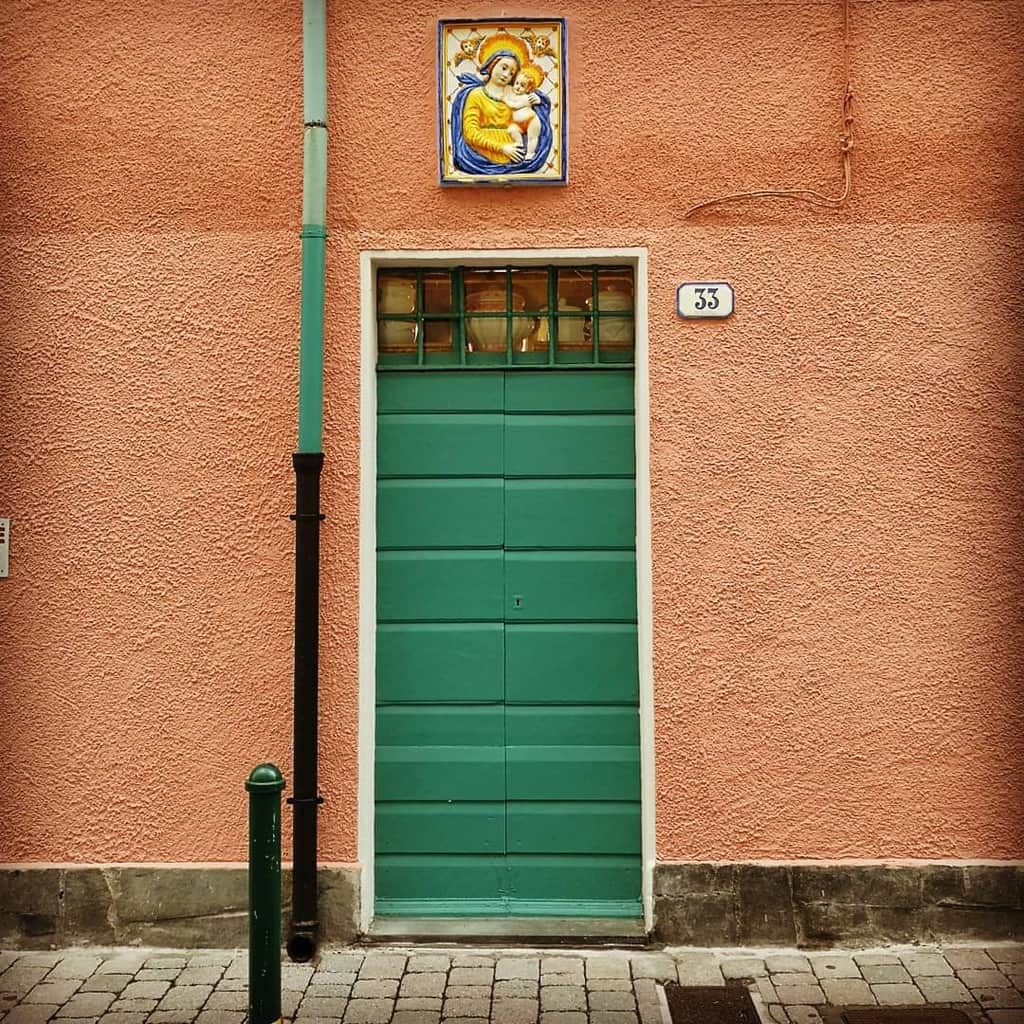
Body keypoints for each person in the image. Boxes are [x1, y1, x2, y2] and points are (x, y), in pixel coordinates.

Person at [504, 64, 544, 160]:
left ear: (528, 89)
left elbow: (515, 106)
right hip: (518, 124)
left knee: (532, 138)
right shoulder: (512, 93)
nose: (518, 87)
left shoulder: (526, 98)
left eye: (522, 85)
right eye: (517, 83)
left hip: (531, 121)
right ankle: (520, 144)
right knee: (511, 130)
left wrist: (505, 100)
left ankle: (530, 153)